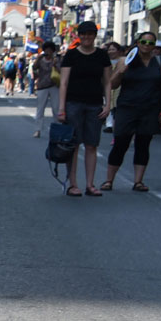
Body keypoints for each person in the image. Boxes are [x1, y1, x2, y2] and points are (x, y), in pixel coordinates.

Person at [101, 33, 161, 193]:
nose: (146, 45)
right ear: (137, 43)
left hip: (150, 108)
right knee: (121, 142)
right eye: (143, 42)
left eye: (150, 43)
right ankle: (109, 180)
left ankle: (138, 181)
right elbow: (113, 84)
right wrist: (121, 71)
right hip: (127, 107)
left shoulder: (159, 61)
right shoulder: (126, 60)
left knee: (143, 143)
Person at [57, 21, 113, 197]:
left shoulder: (102, 55)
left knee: (92, 144)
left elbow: (107, 81)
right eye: (83, 34)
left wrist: (108, 104)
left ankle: (90, 184)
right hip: (73, 103)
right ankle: (73, 184)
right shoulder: (71, 55)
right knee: (73, 145)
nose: (87, 37)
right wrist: (61, 108)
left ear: (95, 36)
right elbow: (63, 83)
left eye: (90, 34)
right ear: (78, 36)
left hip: (94, 103)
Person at [31, 42, 59, 139]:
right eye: (46, 49)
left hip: (54, 85)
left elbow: (61, 71)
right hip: (42, 86)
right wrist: (38, 59)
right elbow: (34, 68)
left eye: (50, 50)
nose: (48, 52)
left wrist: (55, 65)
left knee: (56, 109)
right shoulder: (41, 60)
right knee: (40, 109)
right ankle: (37, 130)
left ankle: (57, 130)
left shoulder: (57, 60)